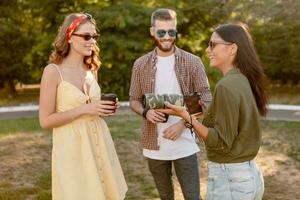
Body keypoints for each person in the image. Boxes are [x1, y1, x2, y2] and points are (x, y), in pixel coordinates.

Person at [163, 23, 267, 200]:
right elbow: (235, 126)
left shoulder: (226, 86)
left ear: (232, 48)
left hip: (230, 180)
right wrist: (209, 113)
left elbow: (219, 142)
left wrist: (186, 116)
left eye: (213, 44)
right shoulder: (243, 79)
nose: (207, 49)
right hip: (249, 176)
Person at [39, 13, 127, 200]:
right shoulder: (53, 71)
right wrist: (85, 109)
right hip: (71, 149)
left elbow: (91, 109)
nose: (92, 41)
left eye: (94, 36)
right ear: (69, 37)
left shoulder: (92, 69)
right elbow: (45, 120)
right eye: (86, 36)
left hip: (99, 142)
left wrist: (103, 108)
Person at [129, 8, 212, 200]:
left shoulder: (193, 62)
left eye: (171, 32)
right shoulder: (140, 64)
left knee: (193, 197)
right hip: (154, 144)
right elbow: (134, 99)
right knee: (165, 196)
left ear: (176, 31)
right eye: (161, 32)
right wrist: (145, 113)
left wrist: (183, 123)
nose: (167, 37)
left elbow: (206, 99)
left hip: (185, 143)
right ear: (152, 32)